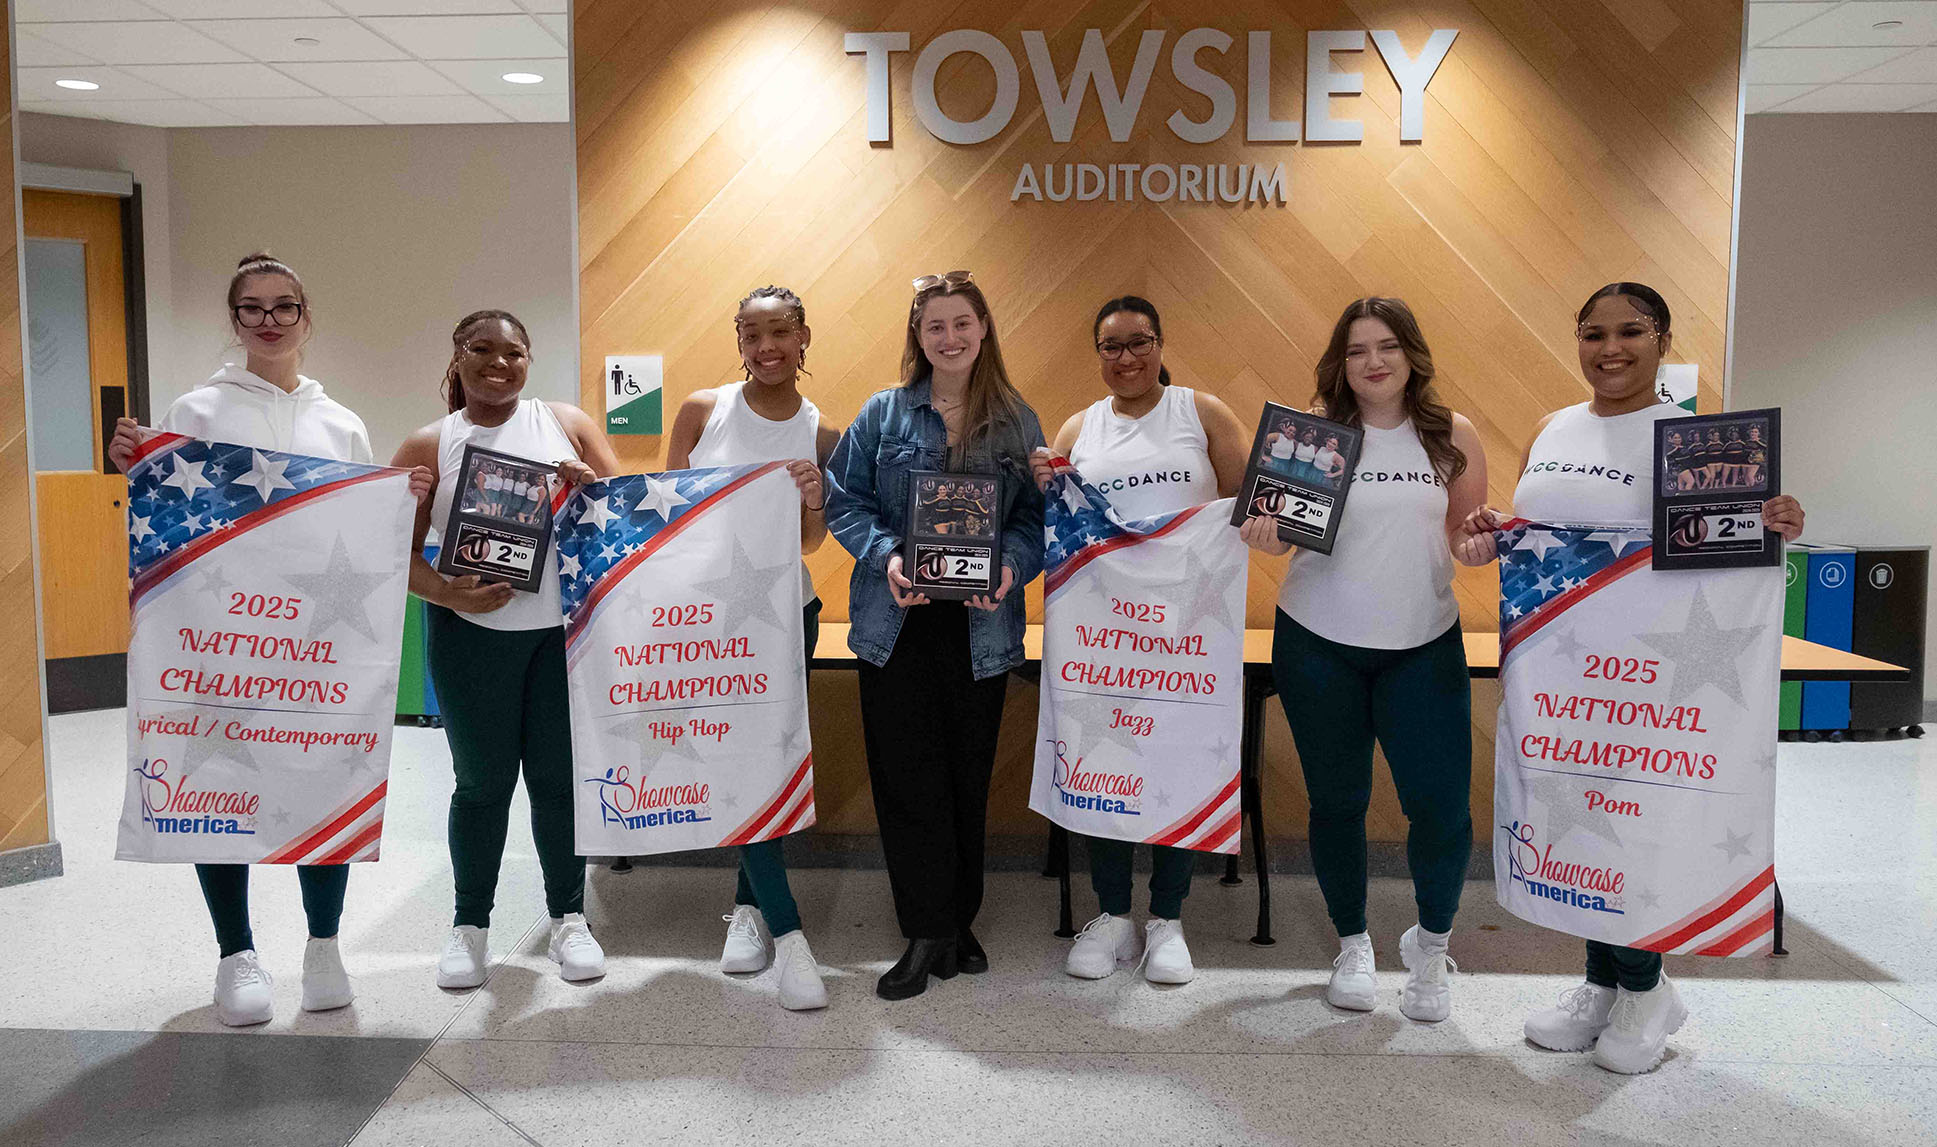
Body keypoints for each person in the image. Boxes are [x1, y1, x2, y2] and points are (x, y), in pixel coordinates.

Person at [1453, 282, 1805, 1073]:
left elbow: (1723, 549)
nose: (1608, 348)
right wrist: (1487, 535)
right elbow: (1542, 537)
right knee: (1574, 819)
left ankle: (1647, 988)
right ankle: (1602, 984)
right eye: (1591, 333)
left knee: (1627, 823)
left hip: (1646, 682)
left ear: (1661, 338)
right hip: (1561, 672)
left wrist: (1773, 521)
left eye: (1629, 332)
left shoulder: (1691, 441)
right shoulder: (1551, 427)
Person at [108, 252, 432, 1027]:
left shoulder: (340, 421)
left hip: (313, 643)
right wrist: (134, 462)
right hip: (222, 636)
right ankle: (235, 951)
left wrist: (401, 497)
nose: (269, 320)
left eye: (284, 306)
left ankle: (324, 945)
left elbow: (360, 531)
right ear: (234, 319)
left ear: (306, 316)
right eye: (252, 307)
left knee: (323, 773)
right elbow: (169, 516)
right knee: (219, 781)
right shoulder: (196, 411)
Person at [1239, 297, 1488, 1023]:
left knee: (1439, 809)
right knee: (1337, 801)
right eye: (1355, 350)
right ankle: (1351, 943)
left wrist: (1479, 544)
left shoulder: (1451, 435)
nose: (1373, 361)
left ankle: (1432, 948)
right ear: (1338, 363)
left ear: (1411, 352)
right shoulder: (1311, 437)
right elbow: (1282, 535)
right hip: (1318, 642)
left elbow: (1462, 538)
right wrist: (1265, 534)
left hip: (1423, 644)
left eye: (1386, 345)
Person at [823, 270, 1046, 1000]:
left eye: (961, 323)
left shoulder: (1016, 419)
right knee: (906, 778)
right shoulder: (882, 415)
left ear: (984, 328)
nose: (949, 338)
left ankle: (957, 919)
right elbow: (842, 501)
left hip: (980, 627)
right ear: (917, 337)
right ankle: (924, 927)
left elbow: (1030, 523)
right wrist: (887, 557)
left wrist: (1011, 567)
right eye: (933, 327)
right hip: (898, 625)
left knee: (965, 778)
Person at [391, 309, 622, 990]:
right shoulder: (429, 443)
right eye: (482, 349)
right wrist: (446, 592)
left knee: (556, 783)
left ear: (529, 358)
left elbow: (628, 520)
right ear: (457, 356)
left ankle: (569, 919)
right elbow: (393, 554)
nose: (498, 362)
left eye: (513, 351)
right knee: (482, 785)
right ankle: (469, 927)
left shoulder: (567, 424)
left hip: (559, 638)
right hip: (471, 641)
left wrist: (591, 489)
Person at [1026, 295, 1250, 985]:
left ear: (1160, 342)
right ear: (1096, 353)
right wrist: (1047, 487)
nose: (1125, 357)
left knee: (1176, 760)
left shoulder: (1201, 411)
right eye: (1110, 345)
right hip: (1103, 632)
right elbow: (1065, 530)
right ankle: (1113, 914)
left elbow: (1246, 509)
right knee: (1104, 760)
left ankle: (1167, 918)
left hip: (1185, 630)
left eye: (1138, 342)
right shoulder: (1078, 426)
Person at [662, 284, 840, 1011]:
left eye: (781, 332)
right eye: (751, 333)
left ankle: (749, 905)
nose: (767, 346)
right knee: (725, 753)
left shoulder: (824, 433)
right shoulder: (702, 410)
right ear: (738, 341)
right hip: (702, 622)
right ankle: (762, 911)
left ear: (804, 338)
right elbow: (662, 517)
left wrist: (811, 495)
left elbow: (809, 542)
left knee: (765, 757)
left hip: (779, 616)